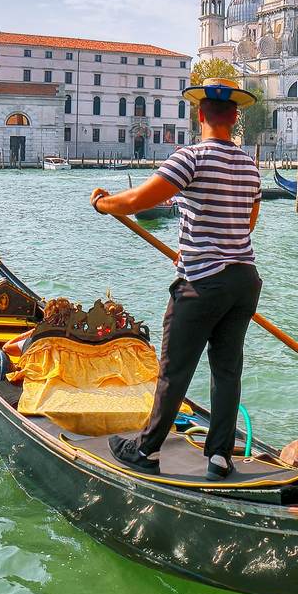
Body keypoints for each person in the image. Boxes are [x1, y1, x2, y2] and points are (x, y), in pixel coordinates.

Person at [92, 76, 262, 482]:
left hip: (203, 283)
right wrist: (203, 241)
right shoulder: (249, 166)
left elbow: (137, 201)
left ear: (200, 115)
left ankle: (146, 448)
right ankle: (220, 456)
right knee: (226, 370)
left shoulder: (191, 158)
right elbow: (247, 224)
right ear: (235, 117)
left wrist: (103, 203)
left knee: (174, 368)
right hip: (244, 279)